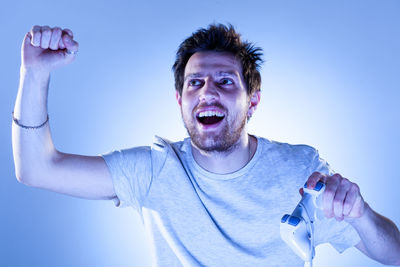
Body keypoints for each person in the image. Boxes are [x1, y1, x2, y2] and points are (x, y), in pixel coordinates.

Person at [12, 24, 400, 266]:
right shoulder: (154, 170)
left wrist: (360, 214)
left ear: (253, 101)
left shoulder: (301, 170)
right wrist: (35, 73)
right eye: (194, 83)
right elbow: (37, 169)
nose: (207, 92)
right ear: (179, 101)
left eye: (226, 81)